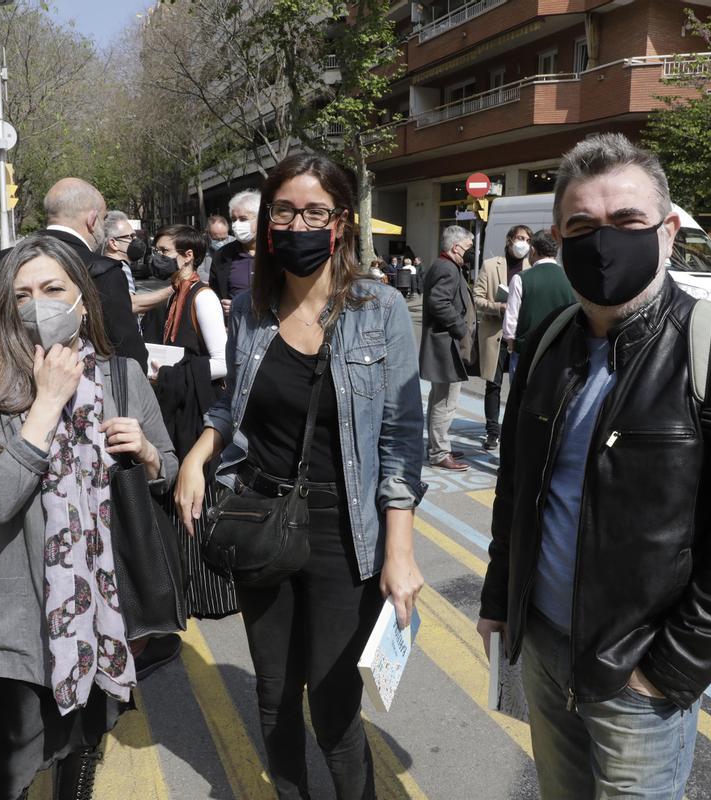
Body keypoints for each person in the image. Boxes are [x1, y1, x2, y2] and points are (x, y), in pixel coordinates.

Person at [477, 133, 711, 800]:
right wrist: (498, 601)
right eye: (582, 226)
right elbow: (518, 490)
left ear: (668, 230)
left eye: (626, 222)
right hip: (541, 649)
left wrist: (666, 673)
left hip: (638, 674)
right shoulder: (545, 346)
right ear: (558, 239)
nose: (604, 242)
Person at [175, 153, 425, 800]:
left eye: (316, 211)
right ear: (267, 223)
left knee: (336, 704)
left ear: (340, 223)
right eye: (284, 211)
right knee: (275, 696)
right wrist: (199, 453)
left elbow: (401, 440)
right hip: (264, 520)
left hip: (347, 535)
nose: (299, 224)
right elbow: (232, 405)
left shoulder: (382, 310)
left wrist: (400, 552)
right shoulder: (251, 311)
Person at [0, 235, 177, 800]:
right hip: (23, 616)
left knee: (85, 741)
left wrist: (148, 454)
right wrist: (46, 405)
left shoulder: (122, 376)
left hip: (108, 609)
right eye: (23, 294)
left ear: (82, 297)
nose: (39, 305)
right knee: (11, 765)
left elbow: (167, 470)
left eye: (53, 289)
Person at [0, 179, 149, 372]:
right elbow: (128, 355)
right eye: (21, 296)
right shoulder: (104, 271)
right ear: (93, 220)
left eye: (53, 290)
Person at [148, 224, 235, 625]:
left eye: (165, 250)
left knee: (202, 496)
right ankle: (188, 588)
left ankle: (213, 592)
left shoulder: (202, 297)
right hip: (177, 405)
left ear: (188, 256)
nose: (157, 254)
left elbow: (222, 360)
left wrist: (172, 369)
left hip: (199, 409)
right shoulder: (172, 295)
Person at [419, 225, 476, 471]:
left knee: (438, 398)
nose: (471, 252)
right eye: (468, 248)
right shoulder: (447, 268)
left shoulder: (445, 266)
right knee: (445, 401)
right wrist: (461, 328)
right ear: (455, 248)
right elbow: (438, 302)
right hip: (446, 347)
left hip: (444, 345)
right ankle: (439, 452)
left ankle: (437, 445)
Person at [472, 225, 532, 451]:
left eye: (527, 239)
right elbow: (476, 298)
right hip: (494, 334)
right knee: (493, 385)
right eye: (519, 238)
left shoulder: (531, 267)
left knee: (519, 386)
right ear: (509, 239)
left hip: (519, 336)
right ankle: (492, 432)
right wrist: (498, 307)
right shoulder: (490, 265)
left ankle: (514, 429)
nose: (523, 243)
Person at [502, 229, 575, 373]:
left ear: (533, 250)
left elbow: (511, 319)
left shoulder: (521, 278)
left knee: (522, 394)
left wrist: (511, 344)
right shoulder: (570, 278)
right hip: (559, 352)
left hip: (526, 352)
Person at [209, 189, 259, 315]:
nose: (236, 225)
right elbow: (215, 294)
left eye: (243, 219)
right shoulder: (222, 255)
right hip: (234, 329)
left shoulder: (279, 252)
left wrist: (242, 306)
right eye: (233, 219)